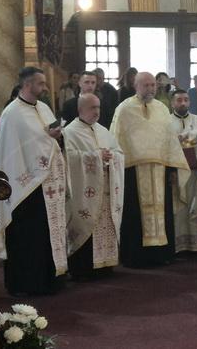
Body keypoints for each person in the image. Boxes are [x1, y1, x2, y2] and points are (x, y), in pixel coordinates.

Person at [0, 67, 68, 295]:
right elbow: (13, 151)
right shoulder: (12, 113)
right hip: (25, 187)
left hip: (48, 185)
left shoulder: (44, 108)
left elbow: (50, 139)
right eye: (41, 83)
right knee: (28, 235)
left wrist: (57, 135)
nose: (45, 87)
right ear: (27, 84)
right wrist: (48, 137)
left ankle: (50, 280)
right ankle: (26, 284)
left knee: (47, 233)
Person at [110, 72, 189, 268]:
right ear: (135, 86)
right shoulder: (124, 109)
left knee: (162, 212)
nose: (150, 89)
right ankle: (136, 257)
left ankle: (162, 254)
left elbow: (169, 140)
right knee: (135, 215)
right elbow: (116, 139)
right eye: (146, 85)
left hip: (160, 170)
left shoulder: (162, 109)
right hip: (133, 171)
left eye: (153, 85)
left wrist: (172, 168)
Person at [63, 94, 124, 279]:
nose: (97, 111)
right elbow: (68, 158)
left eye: (98, 107)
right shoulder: (70, 132)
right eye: (92, 108)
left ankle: (106, 265)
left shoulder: (104, 131)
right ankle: (83, 269)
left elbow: (119, 153)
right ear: (80, 109)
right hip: (85, 193)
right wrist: (96, 156)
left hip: (106, 192)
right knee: (85, 224)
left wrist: (113, 157)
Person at [170, 89, 197, 254]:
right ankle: (179, 247)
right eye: (179, 100)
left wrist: (187, 139)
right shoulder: (166, 122)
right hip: (176, 173)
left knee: (194, 205)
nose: (183, 103)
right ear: (172, 103)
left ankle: (195, 246)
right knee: (178, 210)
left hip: (195, 172)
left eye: (186, 99)